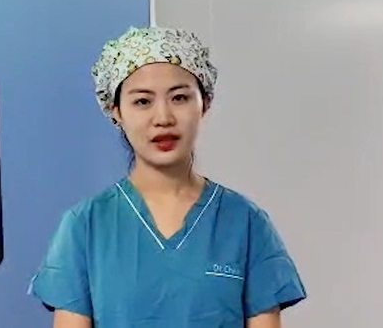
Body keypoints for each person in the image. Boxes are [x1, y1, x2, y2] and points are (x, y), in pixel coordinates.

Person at [27, 26, 307, 328]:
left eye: (179, 97)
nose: (163, 118)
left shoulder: (246, 223)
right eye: (142, 101)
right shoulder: (84, 226)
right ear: (116, 110)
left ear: (205, 104)